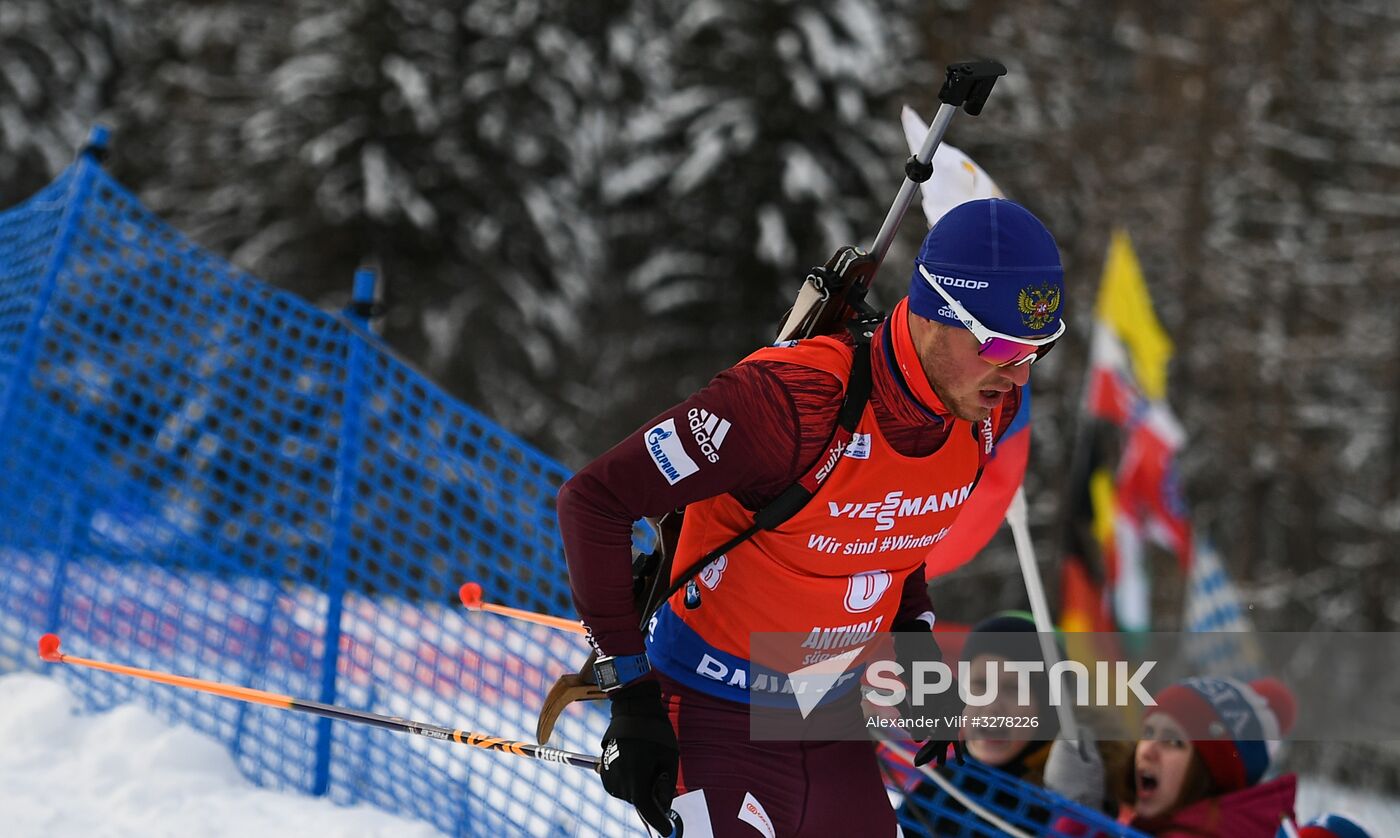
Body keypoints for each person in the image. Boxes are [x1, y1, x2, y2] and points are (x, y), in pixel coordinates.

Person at [557, 198, 1067, 836]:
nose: (1018, 376)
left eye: (1038, 351)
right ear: (936, 313)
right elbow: (593, 501)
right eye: (1002, 346)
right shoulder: (792, 401)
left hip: (828, 722)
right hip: (711, 711)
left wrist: (917, 653)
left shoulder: (981, 412)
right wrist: (631, 699)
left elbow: (892, 543)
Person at [892, 613, 1130, 833]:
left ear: (1047, 710)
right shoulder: (942, 785)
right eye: (980, 684)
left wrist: (1076, 816)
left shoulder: (1084, 790)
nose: (992, 705)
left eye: (1013, 688)